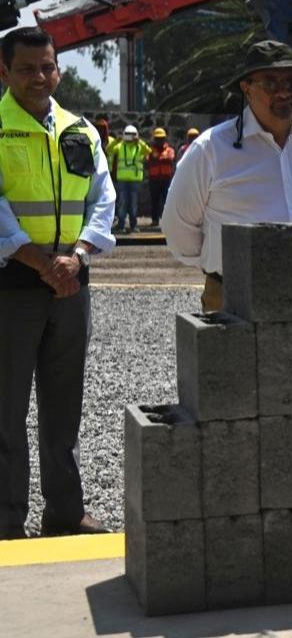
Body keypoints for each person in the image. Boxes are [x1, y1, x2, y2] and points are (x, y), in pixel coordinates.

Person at [0, 26, 116, 538]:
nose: (39, 77)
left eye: (47, 67)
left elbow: (102, 198)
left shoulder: (80, 130)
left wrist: (78, 256)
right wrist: (37, 259)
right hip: (12, 288)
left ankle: (65, 514)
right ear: (4, 72)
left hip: (71, 287)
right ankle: (6, 519)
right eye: (26, 69)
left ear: (58, 69)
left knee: (64, 407)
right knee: (5, 412)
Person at [161, 40, 292, 312]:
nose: (284, 93)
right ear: (246, 89)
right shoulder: (211, 149)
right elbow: (178, 229)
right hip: (233, 299)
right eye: (271, 83)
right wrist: (223, 267)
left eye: (291, 83)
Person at [110, 124, 148, 233]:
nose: (130, 137)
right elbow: (109, 150)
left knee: (133, 204)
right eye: (128, 135)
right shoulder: (120, 145)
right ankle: (121, 226)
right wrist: (116, 141)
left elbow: (148, 151)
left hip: (135, 181)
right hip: (122, 180)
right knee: (122, 203)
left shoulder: (139, 146)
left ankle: (133, 226)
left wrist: (139, 141)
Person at [144, 127, 176, 226]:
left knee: (167, 201)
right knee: (154, 201)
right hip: (154, 179)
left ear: (164, 139)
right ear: (154, 139)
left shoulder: (169, 150)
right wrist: (159, 159)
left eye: (161, 138)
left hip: (166, 179)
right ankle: (155, 220)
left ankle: (168, 220)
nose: (159, 141)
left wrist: (157, 158)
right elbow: (146, 162)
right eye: (157, 138)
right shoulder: (150, 150)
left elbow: (170, 159)